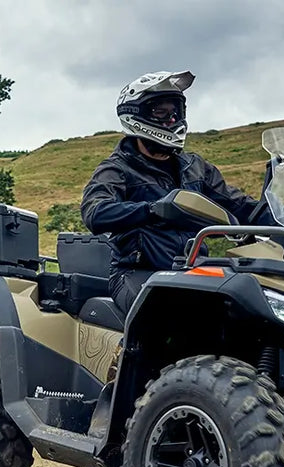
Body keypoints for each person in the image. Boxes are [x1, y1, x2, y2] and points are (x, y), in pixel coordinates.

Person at [80, 70, 272, 312]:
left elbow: (241, 206)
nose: (171, 119)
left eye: (175, 111)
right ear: (135, 115)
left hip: (194, 271)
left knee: (249, 310)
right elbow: (95, 211)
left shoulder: (196, 168)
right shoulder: (117, 168)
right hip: (137, 273)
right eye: (161, 112)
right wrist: (154, 210)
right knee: (164, 314)